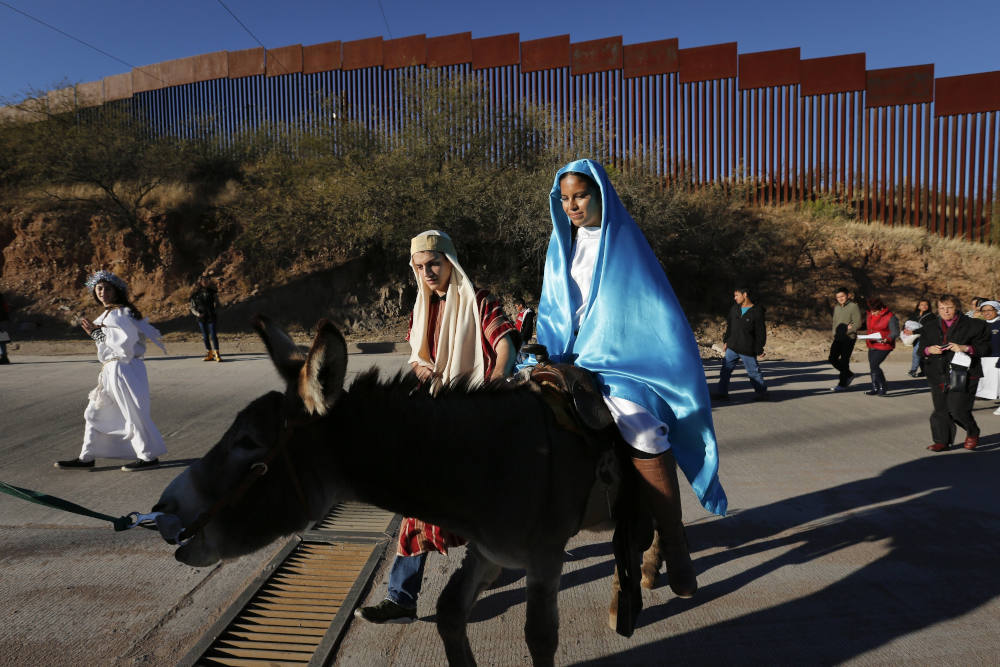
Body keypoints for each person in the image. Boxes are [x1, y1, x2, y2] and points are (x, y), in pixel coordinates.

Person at [522, 159, 727, 602]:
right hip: (568, 358)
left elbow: (647, 311)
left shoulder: (626, 243)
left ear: (599, 195)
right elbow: (555, 310)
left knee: (643, 428)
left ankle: (675, 541)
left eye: (580, 195)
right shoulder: (561, 247)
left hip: (623, 361)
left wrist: (602, 347)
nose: (572, 205)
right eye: (565, 198)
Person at [355, 229, 517, 624]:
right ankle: (404, 596)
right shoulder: (422, 308)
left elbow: (506, 344)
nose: (427, 272)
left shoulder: (481, 303)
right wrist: (424, 370)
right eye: (419, 267)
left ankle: (415, 594)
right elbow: (416, 356)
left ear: (450, 262)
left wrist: (492, 385)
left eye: (434, 264)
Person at [55, 271, 168, 471]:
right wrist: (97, 335)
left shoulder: (121, 313)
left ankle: (148, 456)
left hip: (124, 368)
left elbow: (124, 346)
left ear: (117, 291)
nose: (103, 292)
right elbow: (108, 343)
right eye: (99, 288)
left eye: (107, 288)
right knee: (94, 411)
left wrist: (97, 334)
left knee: (132, 413)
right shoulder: (108, 313)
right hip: (110, 369)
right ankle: (87, 456)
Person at [922, 295, 991, 451]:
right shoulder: (929, 326)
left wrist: (966, 348)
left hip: (964, 373)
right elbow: (921, 349)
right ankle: (942, 441)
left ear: (957, 308)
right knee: (940, 410)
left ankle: (973, 431)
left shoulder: (975, 325)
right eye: (941, 308)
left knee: (957, 409)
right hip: (938, 372)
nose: (945, 311)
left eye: (949, 308)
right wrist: (928, 350)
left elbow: (986, 348)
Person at [714, 287, 769, 401]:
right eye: (734, 296)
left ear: (745, 295)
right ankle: (722, 393)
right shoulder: (735, 309)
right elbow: (730, 326)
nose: (735, 298)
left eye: (737, 295)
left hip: (747, 348)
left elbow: (760, 332)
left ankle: (762, 393)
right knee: (725, 370)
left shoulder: (757, 311)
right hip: (732, 346)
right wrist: (726, 341)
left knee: (753, 372)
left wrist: (759, 349)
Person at [859, 297, 899, 396]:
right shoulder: (869, 314)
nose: (873, 313)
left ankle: (883, 387)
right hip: (871, 343)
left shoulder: (890, 317)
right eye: (871, 311)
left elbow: (895, 332)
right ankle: (875, 387)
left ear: (881, 308)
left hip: (884, 344)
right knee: (872, 367)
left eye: (875, 311)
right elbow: (866, 326)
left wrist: (887, 338)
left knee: (874, 365)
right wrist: (855, 326)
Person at [828, 287, 862, 391]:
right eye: (838, 297)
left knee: (844, 361)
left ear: (847, 295)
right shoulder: (837, 307)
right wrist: (834, 332)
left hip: (849, 338)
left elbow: (858, 323)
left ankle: (842, 384)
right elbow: (835, 322)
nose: (840, 298)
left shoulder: (853, 306)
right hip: (838, 337)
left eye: (842, 296)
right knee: (832, 358)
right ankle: (849, 374)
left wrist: (848, 331)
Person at [973, 300, 1000, 414]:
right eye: (983, 311)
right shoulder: (980, 325)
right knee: (986, 384)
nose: (986, 313)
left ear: (997, 310)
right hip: (983, 358)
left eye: (989, 310)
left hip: (997, 358)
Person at [190, 275, 221, 362]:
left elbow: (218, 303)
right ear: (200, 282)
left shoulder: (213, 292)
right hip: (201, 318)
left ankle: (217, 354)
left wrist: (215, 310)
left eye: (207, 280)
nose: (205, 282)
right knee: (205, 336)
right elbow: (192, 307)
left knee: (213, 335)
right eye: (204, 281)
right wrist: (197, 314)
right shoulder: (195, 294)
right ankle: (209, 353)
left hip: (211, 316)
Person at [905, 298, 934, 378]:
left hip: (925, 337)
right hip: (914, 338)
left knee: (916, 353)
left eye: (926, 305)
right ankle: (924, 371)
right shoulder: (914, 315)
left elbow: (927, 328)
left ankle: (913, 370)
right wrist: (904, 330)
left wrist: (913, 332)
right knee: (920, 354)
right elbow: (907, 323)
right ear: (918, 306)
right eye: (922, 305)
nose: (924, 306)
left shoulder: (931, 316)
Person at [513, 295, 535, 360]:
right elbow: (518, 324)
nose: (516, 308)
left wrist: (523, 336)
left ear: (521, 305)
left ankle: (525, 366)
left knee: (523, 352)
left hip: (523, 337)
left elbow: (528, 326)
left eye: (517, 306)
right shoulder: (520, 313)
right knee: (517, 352)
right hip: (518, 336)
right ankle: (519, 365)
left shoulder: (528, 313)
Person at [0, 291, 11, 365]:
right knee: (2, 339)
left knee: (2, 339)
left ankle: (4, 357)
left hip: (2, 319)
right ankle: (4, 357)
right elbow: (6, 308)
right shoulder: (1, 296)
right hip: (3, 319)